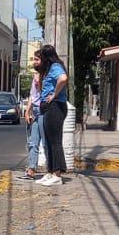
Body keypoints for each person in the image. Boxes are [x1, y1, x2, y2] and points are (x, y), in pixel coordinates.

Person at [34, 44, 69, 186]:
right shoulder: (48, 70)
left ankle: (57, 174)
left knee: (55, 142)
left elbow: (63, 78)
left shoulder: (55, 67)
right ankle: (50, 172)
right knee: (48, 141)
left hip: (55, 107)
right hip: (48, 107)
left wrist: (54, 94)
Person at [23, 68, 44, 180]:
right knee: (33, 142)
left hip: (44, 110)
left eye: (37, 59)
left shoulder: (47, 75)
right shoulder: (36, 75)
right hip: (35, 111)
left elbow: (43, 94)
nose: (34, 62)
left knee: (46, 143)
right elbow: (32, 95)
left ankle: (53, 171)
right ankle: (31, 170)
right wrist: (27, 111)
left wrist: (39, 82)